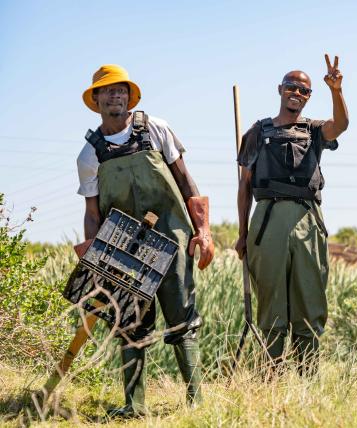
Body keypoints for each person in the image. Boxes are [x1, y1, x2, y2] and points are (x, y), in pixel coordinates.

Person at [75, 64, 214, 417]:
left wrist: (203, 230)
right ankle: (133, 407)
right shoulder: (90, 155)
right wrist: (96, 256)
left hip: (171, 236)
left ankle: (196, 403)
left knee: (183, 319)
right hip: (123, 248)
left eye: (121, 90)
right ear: (96, 99)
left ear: (129, 96)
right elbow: (93, 213)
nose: (115, 95)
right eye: (107, 91)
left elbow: (186, 181)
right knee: (129, 324)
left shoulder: (156, 129)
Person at [235, 54, 348, 376]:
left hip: (307, 219)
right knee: (271, 304)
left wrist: (336, 90)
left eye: (304, 90)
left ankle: (306, 380)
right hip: (267, 220)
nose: (296, 93)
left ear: (309, 96)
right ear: (280, 89)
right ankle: (270, 376)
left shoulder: (314, 131)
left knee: (310, 300)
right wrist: (243, 234)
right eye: (291, 87)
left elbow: (340, 126)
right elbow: (244, 187)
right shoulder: (258, 131)